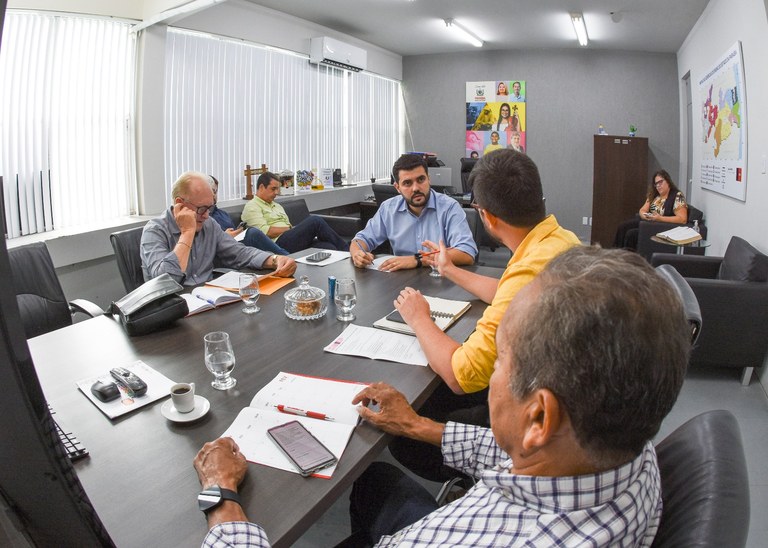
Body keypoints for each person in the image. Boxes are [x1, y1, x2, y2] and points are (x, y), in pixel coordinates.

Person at [193, 246, 691, 547]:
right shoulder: (626, 439)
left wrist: (223, 498)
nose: (490, 373)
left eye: (502, 362)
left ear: (538, 416)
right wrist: (416, 425)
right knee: (376, 482)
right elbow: (536, 451)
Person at [389, 149, 580, 482]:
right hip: (558, 387)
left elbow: (459, 375)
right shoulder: (559, 240)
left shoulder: (529, 268)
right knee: (430, 393)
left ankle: (473, 478)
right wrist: (448, 269)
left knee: (406, 435)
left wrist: (419, 317)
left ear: (488, 218)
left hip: (529, 408)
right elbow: (508, 292)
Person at [140, 171, 296, 286]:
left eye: (210, 208)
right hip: (173, 309)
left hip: (208, 300)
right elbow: (164, 282)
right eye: (202, 209)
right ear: (180, 203)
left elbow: (239, 253)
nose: (207, 215)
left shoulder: (209, 223)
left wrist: (275, 259)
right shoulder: (154, 230)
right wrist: (187, 233)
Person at [350, 154, 476, 272]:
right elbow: (360, 240)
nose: (415, 188)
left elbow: (467, 253)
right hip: (401, 282)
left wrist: (418, 260)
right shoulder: (388, 208)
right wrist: (357, 254)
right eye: (407, 183)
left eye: (421, 180)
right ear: (397, 188)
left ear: (429, 179)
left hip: (441, 278)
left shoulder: (449, 207)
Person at [240, 172, 348, 253]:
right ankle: (347, 249)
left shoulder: (277, 205)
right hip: (277, 244)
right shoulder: (252, 206)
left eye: (277, 189)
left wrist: (292, 229)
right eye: (273, 189)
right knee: (315, 221)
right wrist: (292, 229)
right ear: (261, 187)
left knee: (328, 247)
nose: (276, 193)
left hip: (291, 239)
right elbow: (266, 232)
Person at [207, 175, 288, 255]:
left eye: (216, 191)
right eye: (212, 191)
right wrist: (224, 237)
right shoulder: (202, 217)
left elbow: (235, 234)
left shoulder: (223, 214)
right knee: (253, 233)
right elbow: (202, 242)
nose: (214, 195)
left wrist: (238, 231)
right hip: (221, 249)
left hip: (236, 244)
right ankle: (289, 259)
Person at [613, 169, 688, 250]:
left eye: (660, 182)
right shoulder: (654, 194)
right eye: (656, 184)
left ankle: (628, 259)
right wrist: (645, 216)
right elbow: (642, 210)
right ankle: (616, 255)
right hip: (649, 222)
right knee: (622, 227)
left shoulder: (677, 196)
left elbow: (682, 219)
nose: (658, 186)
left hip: (662, 226)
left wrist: (660, 218)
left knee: (631, 234)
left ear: (668, 181)